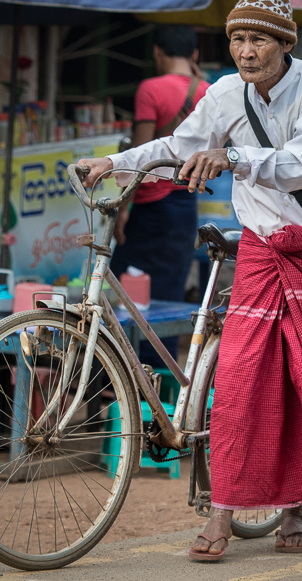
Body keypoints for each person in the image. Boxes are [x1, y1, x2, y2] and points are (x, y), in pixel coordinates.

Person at [79, 0, 302, 561]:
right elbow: (179, 144)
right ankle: (220, 516)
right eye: (238, 38)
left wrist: (234, 156)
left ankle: (294, 511)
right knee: (237, 388)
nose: (246, 50)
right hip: (261, 254)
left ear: (283, 43)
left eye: (258, 39)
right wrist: (112, 162)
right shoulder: (222, 93)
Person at [110, 25, 210, 368]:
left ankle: (118, 370)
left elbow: (142, 152)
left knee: (123, 285)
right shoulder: (209, 92)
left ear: (157, 52)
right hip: (185, 203)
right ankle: (160, 374)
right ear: (194, 55)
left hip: (150, 204)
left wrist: (123, 207)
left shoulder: (151, 89)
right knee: (169, 292)